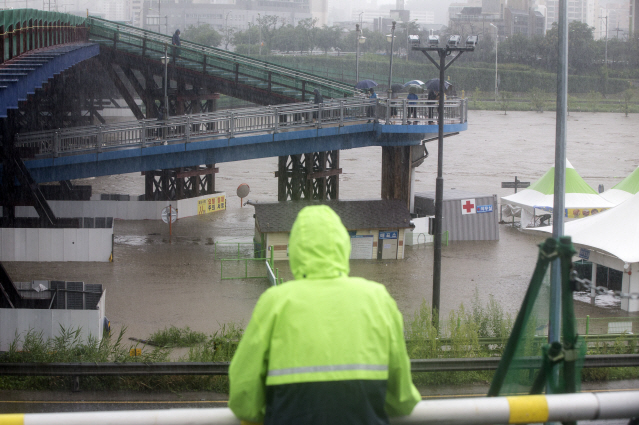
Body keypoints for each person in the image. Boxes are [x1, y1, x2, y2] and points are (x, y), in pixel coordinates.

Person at [229, 205, 420, 425]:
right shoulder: (378, 298)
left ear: (296, 249)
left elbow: (243, 396)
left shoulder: (275, 302)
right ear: (343, 246)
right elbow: (403, 398)